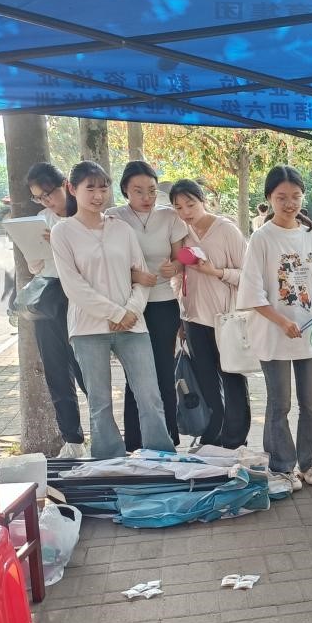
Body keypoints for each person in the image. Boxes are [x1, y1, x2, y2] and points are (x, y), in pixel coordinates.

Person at [50, 161, 174, 459]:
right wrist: (117, 314)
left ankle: (160, 458)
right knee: (100, 402)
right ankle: (108, 462)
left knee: (150, 396)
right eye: (90, 188)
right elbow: (74, 287)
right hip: (88, 328)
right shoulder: (63, 232)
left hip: (133, 324)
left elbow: (142, 276)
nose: (98, 195)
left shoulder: (121, 228)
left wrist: (131, 311)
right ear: (72, 189)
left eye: (103, 188)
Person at [238, 166, 312, 492]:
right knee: (280, 404)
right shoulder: (261, 238)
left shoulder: (311, 236)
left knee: (311, 404)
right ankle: (281, 467)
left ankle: (311, 462)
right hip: (273, 334)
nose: (290, 203)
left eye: (295, 196)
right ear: (269, 198)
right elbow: (252, 294)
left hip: (309, 333)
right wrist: (281, 321)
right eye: (281, 197)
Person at [107, 161, 187, 452]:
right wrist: (134, 276)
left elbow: (181, 259)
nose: (146, 197)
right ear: (125, 191)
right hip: (129, 307)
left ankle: (168, 439)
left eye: (152, 190)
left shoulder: (169, 217)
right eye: (138, 191)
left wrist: (174, 268)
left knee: (164, 371)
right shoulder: (113, 217)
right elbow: (106, 263)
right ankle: (135, 442)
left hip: (163, 304)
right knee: (136, 375)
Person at [170, 178, 251, 449]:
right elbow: (178, 277)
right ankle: (213, 435)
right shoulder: (181, 234)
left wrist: (216, 272)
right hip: (193, 319)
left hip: (226, 319)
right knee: (206, 382)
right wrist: (180, 312)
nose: (186, 212)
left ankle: (236, 439)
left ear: (203, 200)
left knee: (232, 379)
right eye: (178, 207)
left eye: (190, 204)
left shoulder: (226, 230)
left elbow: (248, 275)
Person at [24, 162, 89, 458]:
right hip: (49, 296)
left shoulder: (86, 215)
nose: (47, 201)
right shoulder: (41, 219)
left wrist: (63, 242)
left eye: (49, 193)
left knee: (86, 367)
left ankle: (106, 432)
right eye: (39, 197)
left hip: (82, 297)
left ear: (65, 185)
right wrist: (34, 255)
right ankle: (72, 440)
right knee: (56, 368)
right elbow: (36, 266)